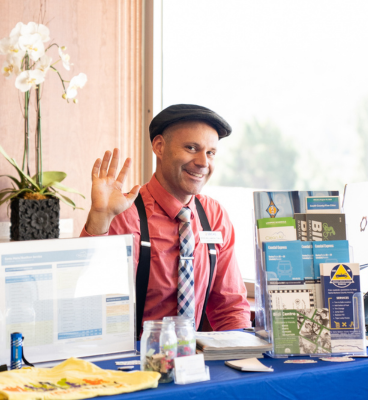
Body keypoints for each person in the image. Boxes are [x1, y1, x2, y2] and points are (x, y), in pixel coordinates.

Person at [81, 104, 251, 331]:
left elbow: (229, 307)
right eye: (191, 148)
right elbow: (90, 301)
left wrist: (241, 355)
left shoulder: (214, 215)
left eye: (210, 153)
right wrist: (100, 217)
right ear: (159, 147)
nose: (203, 162)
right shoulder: (125, 213)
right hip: (135, 359)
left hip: (194, 359)